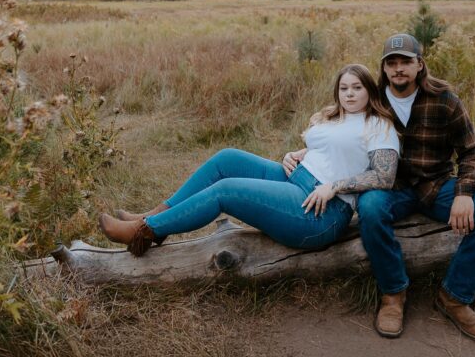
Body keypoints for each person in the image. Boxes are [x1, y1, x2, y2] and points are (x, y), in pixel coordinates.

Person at [286, 34, 475, 342]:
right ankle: (394, 292)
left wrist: (464, 193)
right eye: (392, 63)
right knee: (370, 208)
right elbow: (339, 130)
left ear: (420, 64)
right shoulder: (374, 98)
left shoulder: (444, 99)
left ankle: (455, 297)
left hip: (438, 183)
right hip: (391, 187)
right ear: (384, 68)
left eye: (406, 61)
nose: (399, 69)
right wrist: (305, 152)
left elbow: (471, 150)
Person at [98, 64, 401, 257]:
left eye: (357, 87)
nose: (349, 94)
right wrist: (300, 153)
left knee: (227, 190)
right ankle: (151, 216)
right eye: (344, 88)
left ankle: (145, 231)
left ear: (369, 90)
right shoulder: (335, 117)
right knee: (227, 158)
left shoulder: (378, 126)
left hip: (321, 211)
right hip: (297, 179)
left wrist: (334, 187)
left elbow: (384, 176)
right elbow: (337, 152)